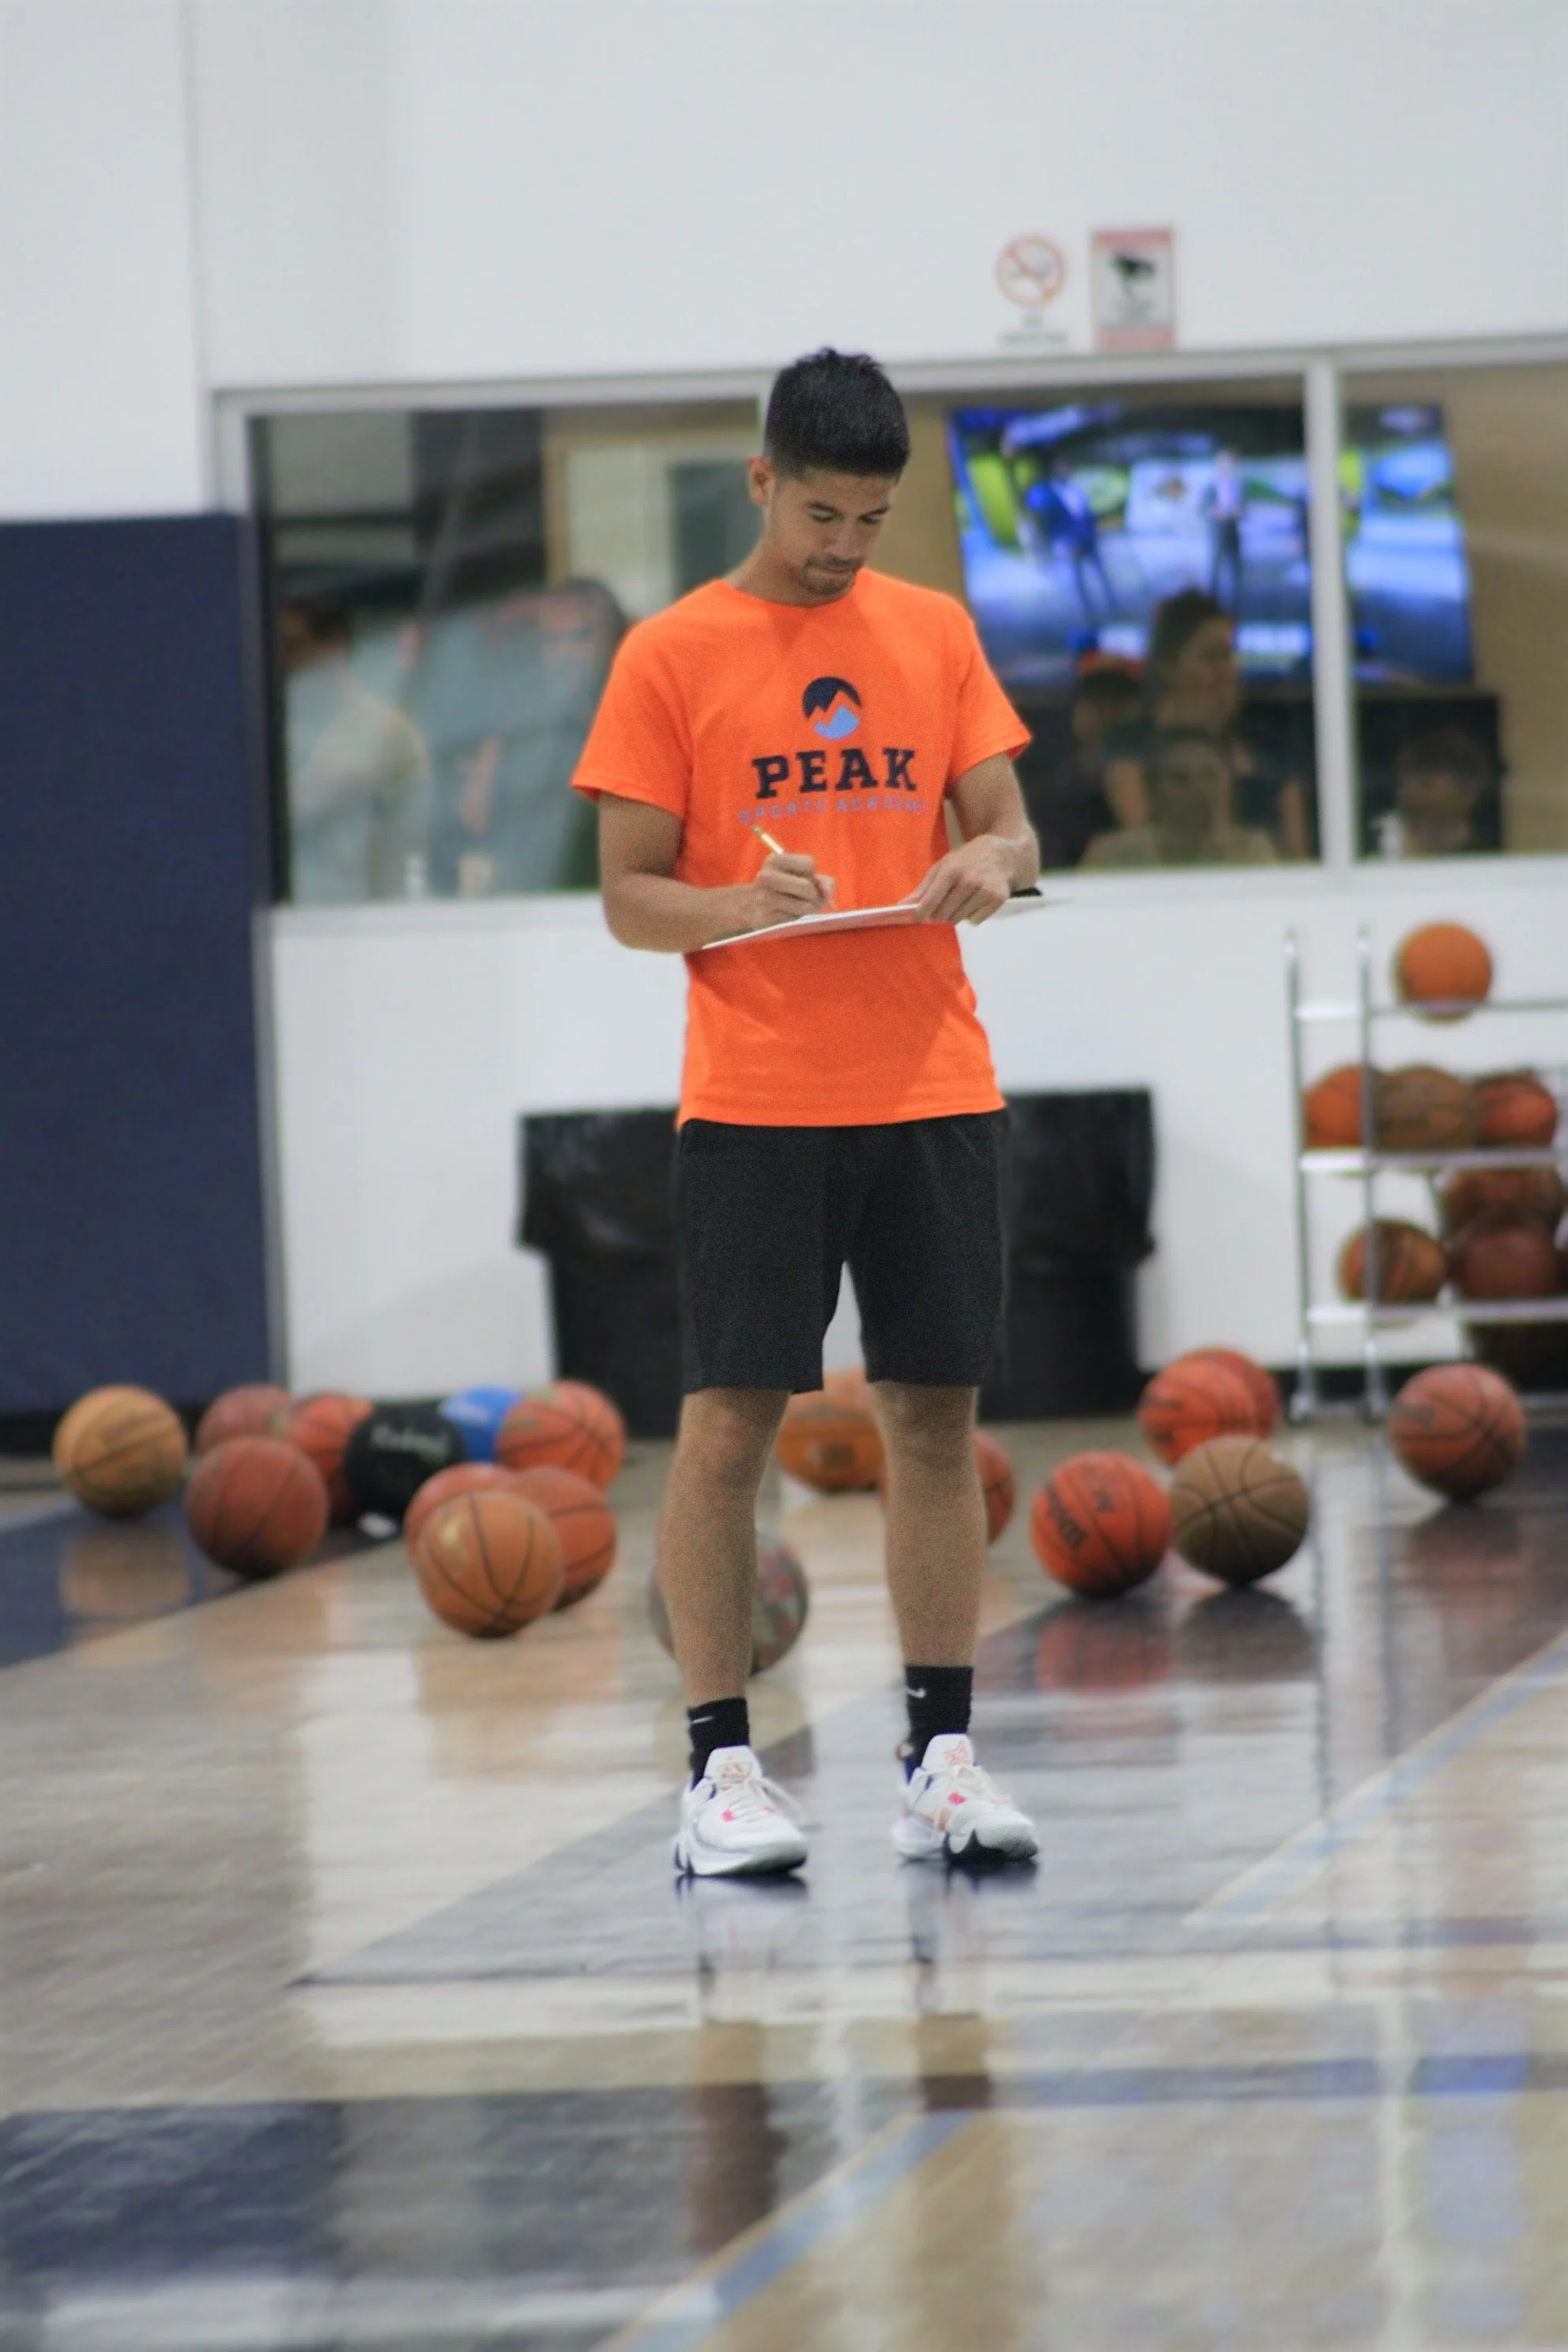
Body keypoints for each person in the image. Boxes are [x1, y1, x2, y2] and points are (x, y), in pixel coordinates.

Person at [573, 349, 1041, 1879]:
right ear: (761, 478)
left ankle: (941, 1754)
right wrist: (733, 901)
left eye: (872, 516)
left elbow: (1013, 829)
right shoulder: (668, 654)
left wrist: (993, 862)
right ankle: (718, 1774)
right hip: (758, 1100)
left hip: (932, 1085)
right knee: (726, 1432)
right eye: (821, 509)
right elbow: (628, 903)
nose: (845, 543)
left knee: (932, 1419)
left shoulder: (933, 630)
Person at [1102, 588, 1310, 858]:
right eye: (1211, 657)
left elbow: (1297, 856)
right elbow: (1145, 846)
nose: (1226, 670)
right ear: (1168, 665)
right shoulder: (1129, 744)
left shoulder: (1268, 746)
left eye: (1230, 655)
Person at [281, 594, 431, 903]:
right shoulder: (267, 733)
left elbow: (408, 848)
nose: (284, 662)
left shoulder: (384, 733)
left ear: (334, 644)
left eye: (293, 645)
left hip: (352, 918)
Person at [1083, 726, 1277, 869]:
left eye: (1209, 776)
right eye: (1180, 778)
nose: (1197, 788)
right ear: (1154, 790)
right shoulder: (1112, 855)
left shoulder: (1251, 851)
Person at [1029, 662, 1143, 869]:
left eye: (1119, 703)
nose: (1108, 714)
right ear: (1078, 713)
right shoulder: (1053, 795)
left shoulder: (1157, 785)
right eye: (1098, 703)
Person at [1020, 458, 1115, 625]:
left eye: (1066, 466)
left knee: (1101, 573)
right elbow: (1046, 520)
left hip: (1088, 538)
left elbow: (1086, 513)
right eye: (1061, 467)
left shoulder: (1075, 488)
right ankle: (1089, 614)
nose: (1065, 469)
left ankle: (1113, 606)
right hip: (1070, 542)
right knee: (1078, 579)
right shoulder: (1048, 494)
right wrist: (1058, 540)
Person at [1385, 727, 1494, 857]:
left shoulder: (1491, 860)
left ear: (1469, 790)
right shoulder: (1379, 851)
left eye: (1426, 781)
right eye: (1405, 777)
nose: (1407, 789)